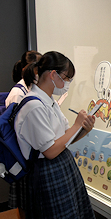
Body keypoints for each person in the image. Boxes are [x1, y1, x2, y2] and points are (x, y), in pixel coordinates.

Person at [14, 51, 96, 219]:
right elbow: (50, 151)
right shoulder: (33, 106)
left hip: (62, 165)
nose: (68, 83)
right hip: (47, 172)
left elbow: (65, 137)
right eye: (66, 78)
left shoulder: (48, 101)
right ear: (53, 75)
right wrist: (77, 125)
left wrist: (83, 129)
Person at [6, 50, 42, 213]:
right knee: (26, 208)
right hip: (23, 159)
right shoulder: (18, 93)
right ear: (34, 69)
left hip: (32, 157)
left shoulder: (31, 89)